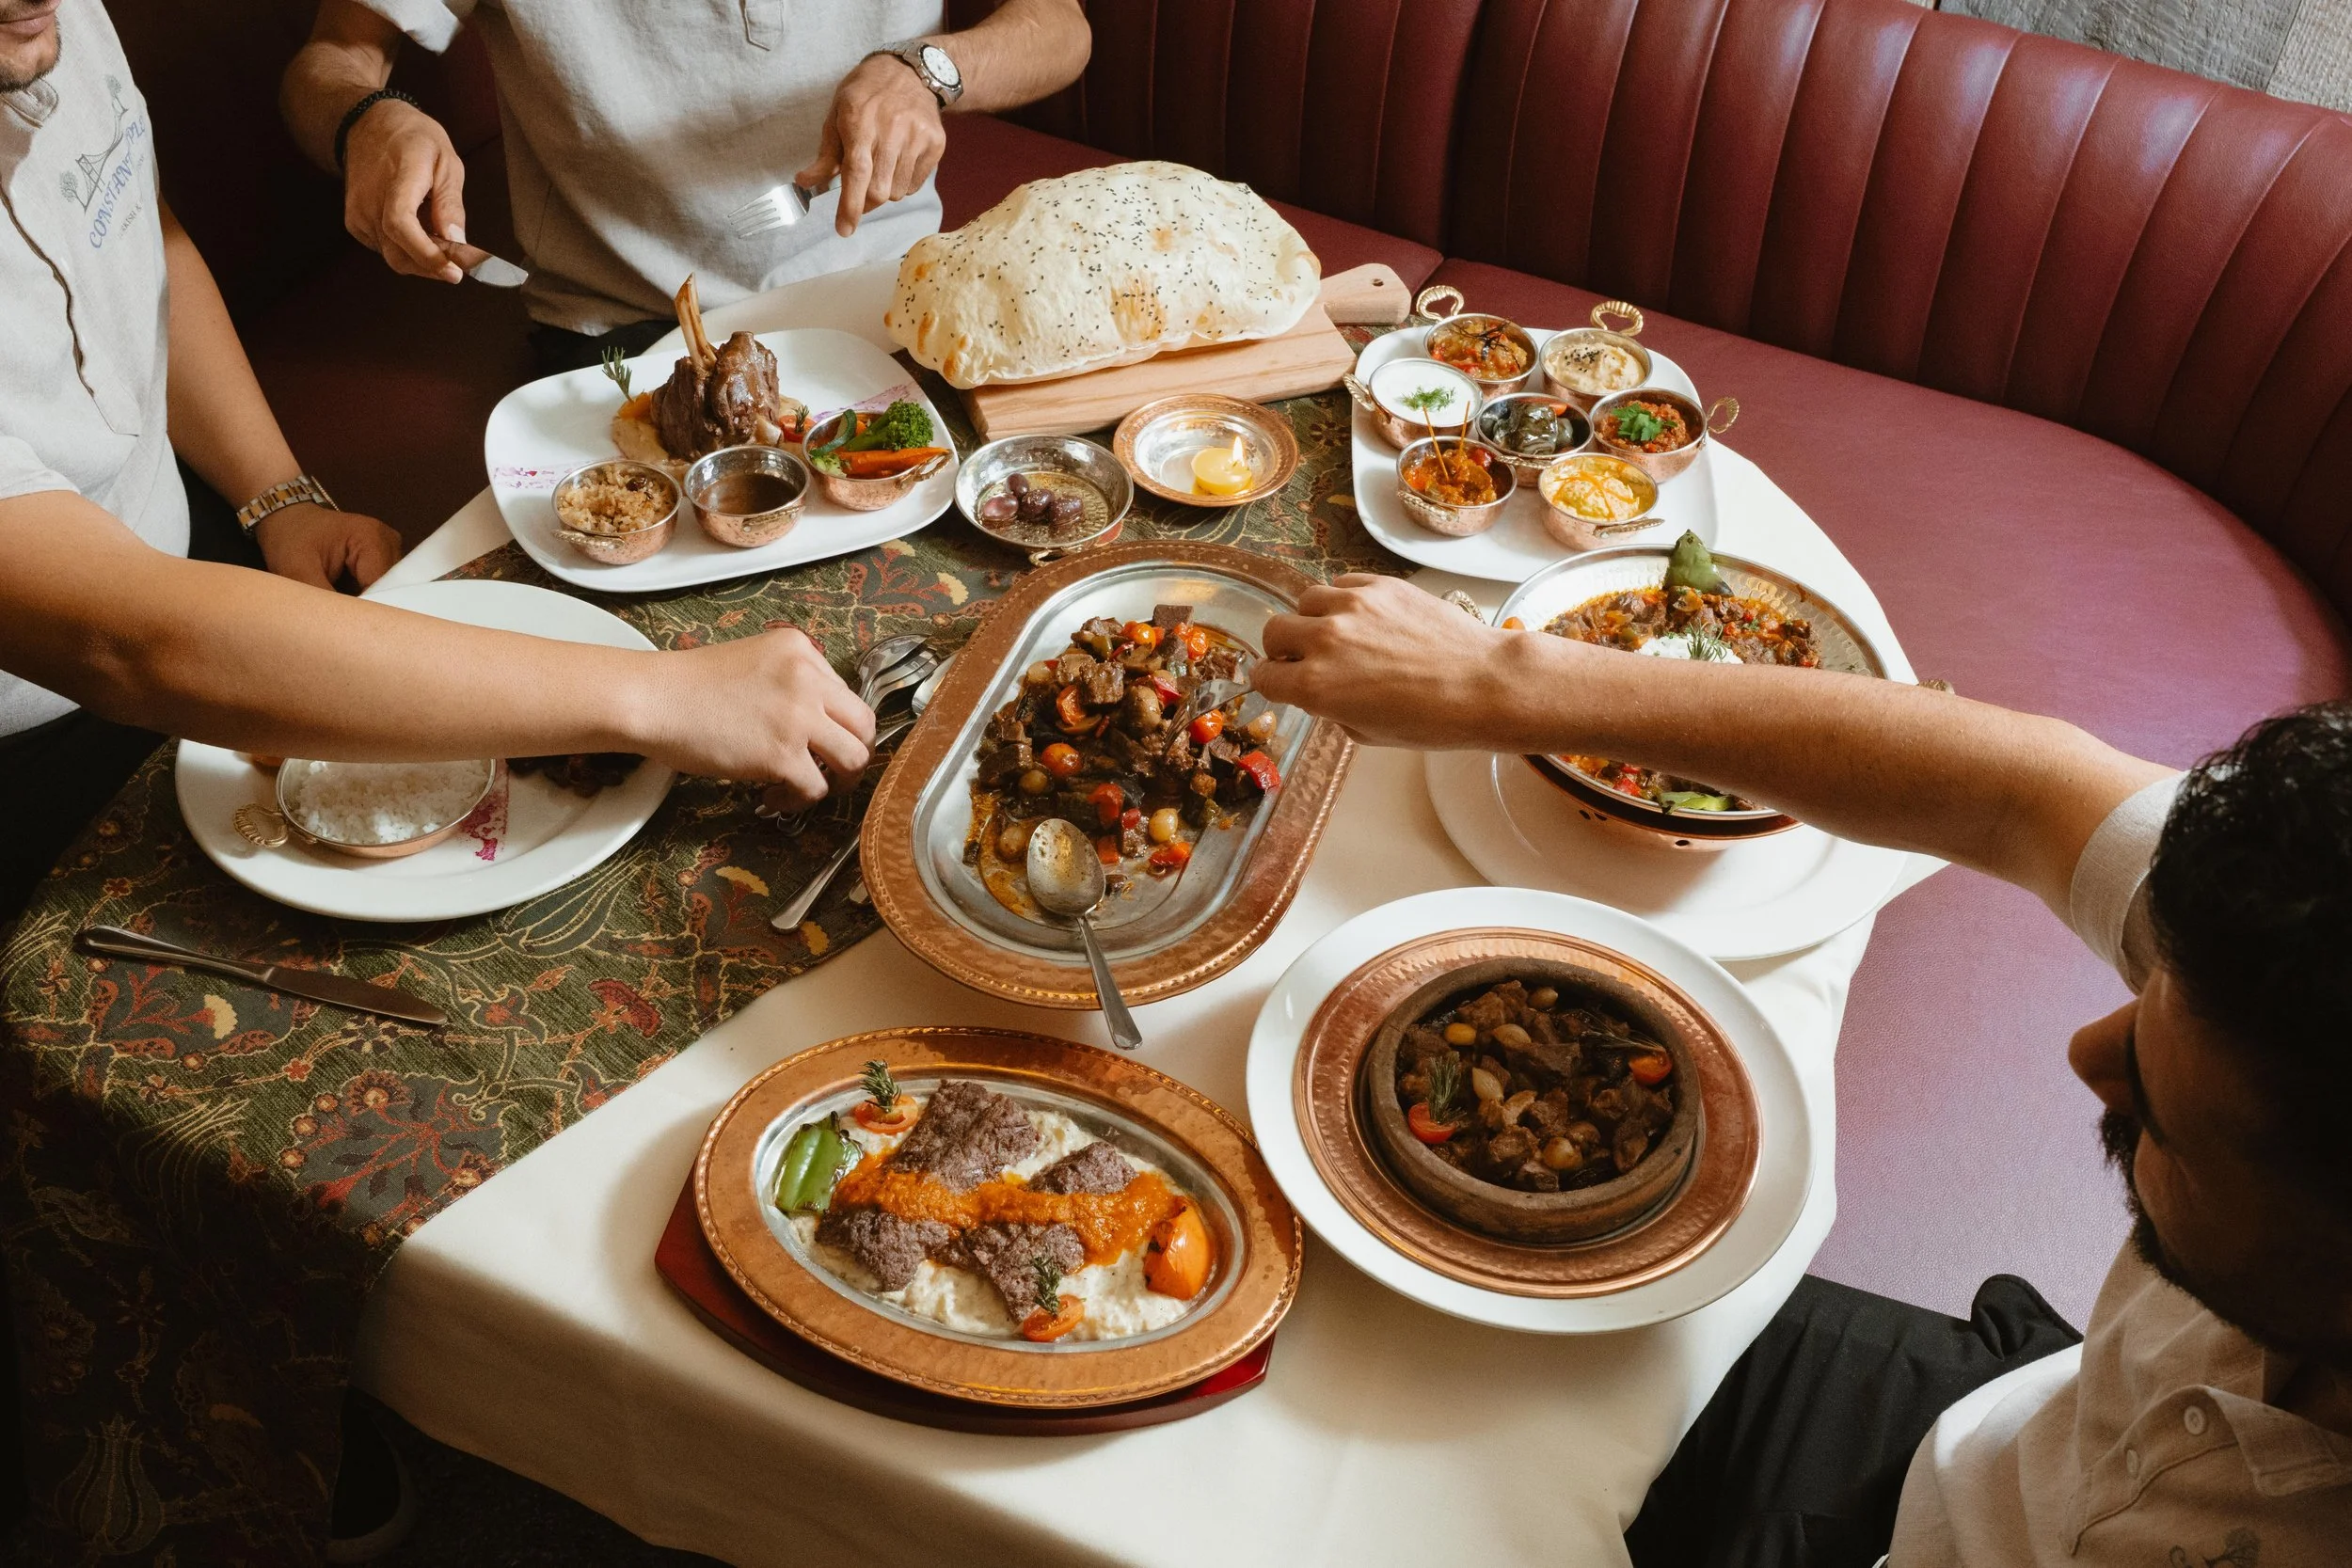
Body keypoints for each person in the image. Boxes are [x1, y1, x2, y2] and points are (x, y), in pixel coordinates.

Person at [1254, 574, 2352, 1565]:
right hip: (1981, 1439)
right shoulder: (2298, 945)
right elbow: (2016, 787)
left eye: (2160, 1119)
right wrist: (1500, 675)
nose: (2085, 1055)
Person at [0, 0, 874, 927]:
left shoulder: (39, 21)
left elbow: (139, 228)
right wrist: (660, 697)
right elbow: (127, 641)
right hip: (46, 734)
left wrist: (277, 498)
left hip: (191, 563)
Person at [280, 0, 1091, 372]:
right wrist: (368, 121)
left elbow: (1060, 24)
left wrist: (933, 70)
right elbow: (330, 62)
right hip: (633, 333)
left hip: (904, 290)